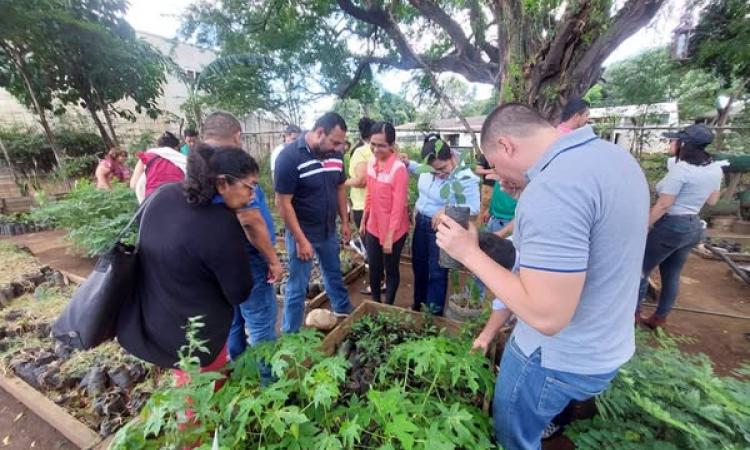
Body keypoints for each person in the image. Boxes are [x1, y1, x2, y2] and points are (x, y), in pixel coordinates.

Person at [436, 103, 649, 449]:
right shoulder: (615, 158)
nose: (499, 177)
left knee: (514, 437)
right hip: (605, 348)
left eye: (495, 164)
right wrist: (489, 333)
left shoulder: (553, 188)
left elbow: (546, 315)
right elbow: (529, 273)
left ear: (506, 146)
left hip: (553, 358)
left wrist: (468, 253)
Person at [116, 143, 258, 372]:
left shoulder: (163, 194)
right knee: (203, 397)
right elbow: (239, 291)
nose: (252, 196)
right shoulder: (221, 224)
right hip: (196, 337)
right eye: (250, 187)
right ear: (222, 182)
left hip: (154, 320)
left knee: (183, 383)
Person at [198, 111, 283, 360]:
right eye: (251, 186)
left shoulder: (197, 166)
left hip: (220, 263)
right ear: (237, 136)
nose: (251, 190)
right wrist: (273, 260)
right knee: (261, 327)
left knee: (233, 320)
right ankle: (270, 388)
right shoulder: (232, 170)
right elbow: (251, 221)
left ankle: (239, 367)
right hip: (248, 262)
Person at [274, 112, 355, 332]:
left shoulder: (335, 156)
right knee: (298, 286)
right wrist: (300, 240)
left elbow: (340, 187)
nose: (339, 147)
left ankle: (342, 308)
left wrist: (345, 222)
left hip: (328, 230)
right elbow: (283, 203)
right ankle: (291, 333)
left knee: (333, 272)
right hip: (303, 233)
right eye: (335, 141)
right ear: (320, 133)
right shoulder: (289, 158)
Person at [637, 124, 722, 328]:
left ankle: (632, 315)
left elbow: (664, 204)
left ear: (685, 144)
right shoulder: (714, 168)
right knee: (672, 274)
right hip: (693, 225)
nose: (671, 143)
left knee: (640, 269)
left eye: (674, 140)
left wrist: (643, 226)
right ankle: (660, 317)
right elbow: (712, 201)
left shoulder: (681, 170)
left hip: (672, 225)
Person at [403, 134, 480, 315]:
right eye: (432, 172)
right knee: (419, 266)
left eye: (442, 169)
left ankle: (432, 315)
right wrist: (408, 164)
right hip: (421, 223)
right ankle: (418, 307)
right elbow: (418, 169)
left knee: (437, 273)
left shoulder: (464, 176)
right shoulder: (430, 169)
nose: (438, 174)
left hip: (442, 228)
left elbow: (474, 208)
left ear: (452, 157)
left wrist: (447, 209)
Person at [360, 122, 409, 305]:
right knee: (374, 267)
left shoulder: (398, 169)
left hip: (394, 230)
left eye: (382, 145)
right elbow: (369, 194)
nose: (376, 149)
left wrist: (389, 236)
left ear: (392, 146)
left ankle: (387, 307)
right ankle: (374, 304)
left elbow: (398, 206)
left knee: (391, 269)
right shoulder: (371, 164)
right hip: (374, 225)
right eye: (373, 144)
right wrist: (364, 218)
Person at [130, 131, 187, 203]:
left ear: (158, 146)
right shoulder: (183, 159)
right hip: (179, 201)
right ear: (176, 147)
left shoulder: (148, 156)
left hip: (152, 202)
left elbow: (133, 184)